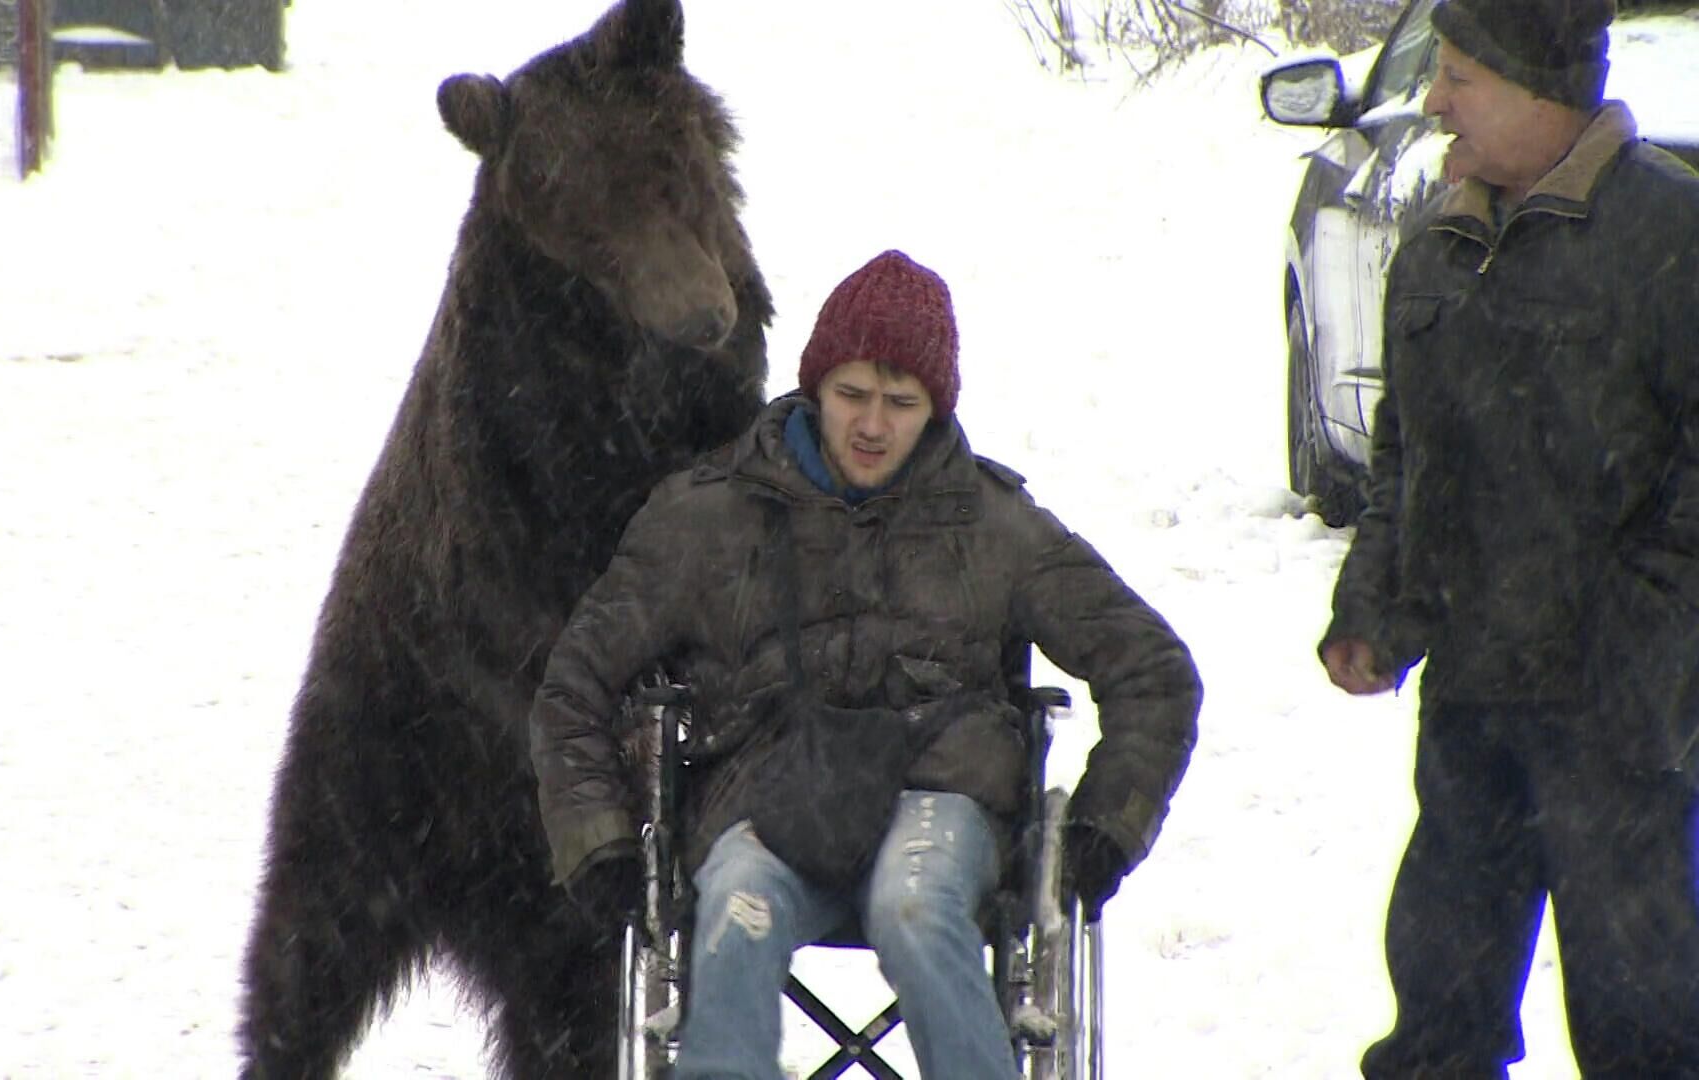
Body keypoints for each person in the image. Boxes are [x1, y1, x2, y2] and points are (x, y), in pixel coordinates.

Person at [528, 249, 1201, 1079]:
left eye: (900, 402)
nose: (873, 425)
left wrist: (1102, 832)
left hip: (943, 798)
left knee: (913, 908)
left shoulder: (992, 526)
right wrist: (598, 842)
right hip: (765, 798)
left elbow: (1154, 670)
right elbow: (575, 686)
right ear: (816, 389)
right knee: (737, 917)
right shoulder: (708, 518)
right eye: (851, 395)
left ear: (936, 407)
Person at [1318, 1, 1699, 1076]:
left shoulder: (1669, 236)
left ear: (1542, 87)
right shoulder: (1437, 246)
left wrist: (1647, 631)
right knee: (1438, 1016)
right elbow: (1406, 456)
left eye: (1459, 77)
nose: (1435, 103)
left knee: (1645, 1032)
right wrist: (1374, 606)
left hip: (1623, 724)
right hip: (1472, 708)